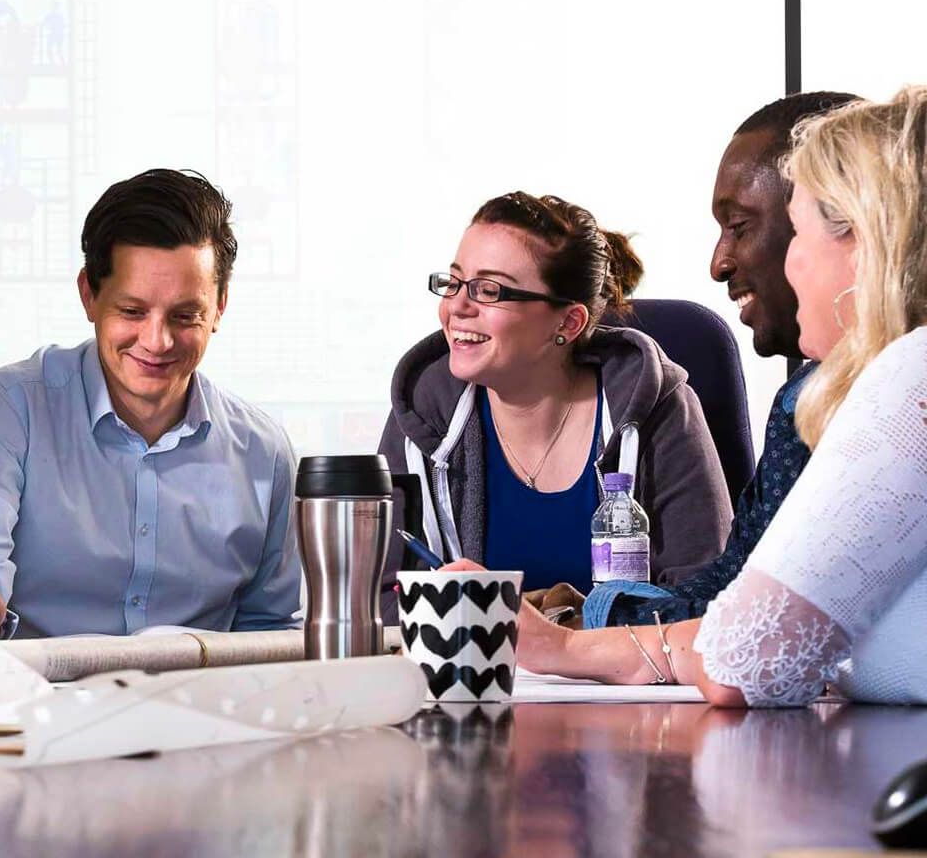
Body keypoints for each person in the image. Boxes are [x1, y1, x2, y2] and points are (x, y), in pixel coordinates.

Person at [512, 87, 927, 705]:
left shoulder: (909, 383)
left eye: (801, 230)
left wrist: (562, 648)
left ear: (864, 239)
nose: (791, 265)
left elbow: (746, 657)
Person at [0, 169, 300, 638]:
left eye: (186, 316)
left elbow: (270, 627)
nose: (158, 341)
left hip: (201, 705)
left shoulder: (264, 450)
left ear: (220, 307)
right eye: (132, 311)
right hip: (36, 701)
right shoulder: (6, 408)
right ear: (89, 295)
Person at [377, 191, 730, 616]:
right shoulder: (423, 414)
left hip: (629, 681)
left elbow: (705, 598)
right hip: (472, 678)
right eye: (453, 283)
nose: (456, 307)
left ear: (568, 322)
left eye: (488, 290)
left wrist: (556, 631)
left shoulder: (657, 410)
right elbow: (383, 601)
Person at [584, 91, 860, 627]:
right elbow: (740, 576)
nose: (718, 263)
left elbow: (762, 629)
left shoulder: (886, 398)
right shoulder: (804, 396)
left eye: (739, 226)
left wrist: (584, 633)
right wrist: (597, 614)